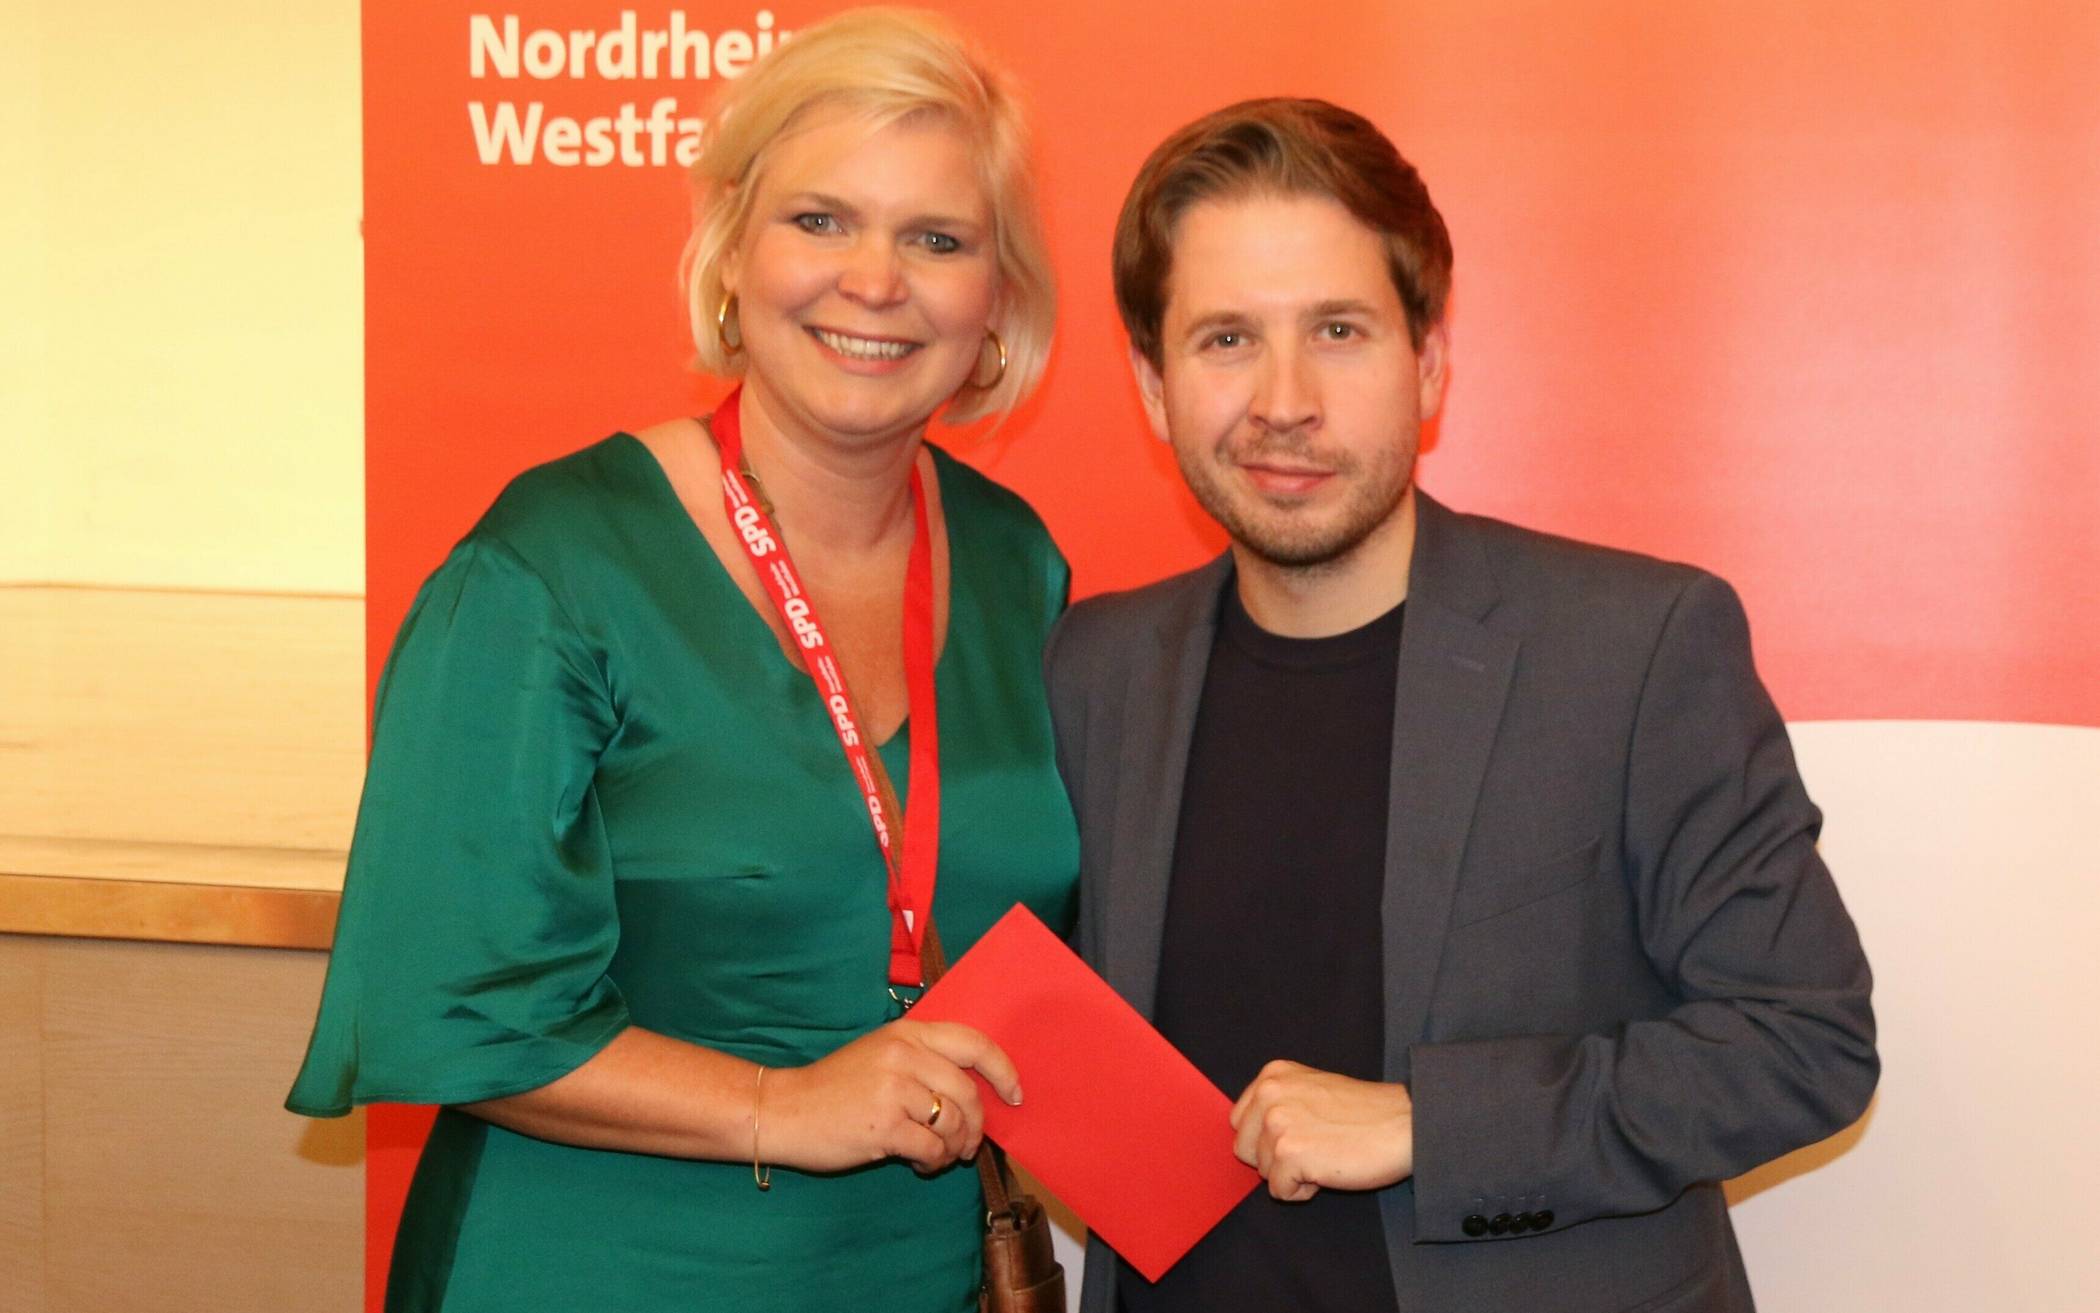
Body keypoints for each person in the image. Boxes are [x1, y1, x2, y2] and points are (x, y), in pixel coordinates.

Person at [287, 11, 1076, 1311]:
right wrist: (779, 1103)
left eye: (937, 239)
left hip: (926, 1272)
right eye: (820, 220)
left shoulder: (1014, 565)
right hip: (590, 1270)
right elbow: (445, 1005)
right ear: (730, 255)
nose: (875, 280)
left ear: (998, 300)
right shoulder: (547, 572)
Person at [1047, 98, 1878, 1313]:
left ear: (1429, 359)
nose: (1284, 399)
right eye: (1226, 339)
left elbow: (1805, 1041)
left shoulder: (1633, 647)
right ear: (1153, 383)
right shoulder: (1093, 669)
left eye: (1337, 329)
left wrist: (1432, 1124)